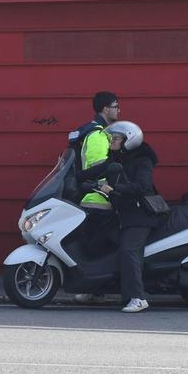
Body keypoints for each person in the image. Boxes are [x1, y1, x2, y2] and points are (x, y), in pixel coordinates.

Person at [97, 121, 159, 313]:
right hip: (124, 213)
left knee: (128, 250)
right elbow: (98, 171)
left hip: (140, 215)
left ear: (128, 140)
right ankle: (95, 291)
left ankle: (138, 297)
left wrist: (115, 189)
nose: (111, 142)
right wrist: (78, 179)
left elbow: (143, 187)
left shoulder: (142, 160)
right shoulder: (118, 158)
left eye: (115, 139)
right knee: (98, 239)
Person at [76, 92, 122, 254]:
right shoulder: (98, 135)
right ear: (105, 109)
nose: (119, 110)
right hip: (98, 202)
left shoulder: (102, 132)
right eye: (115, 106)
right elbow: (100, 169)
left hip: (100, 200)